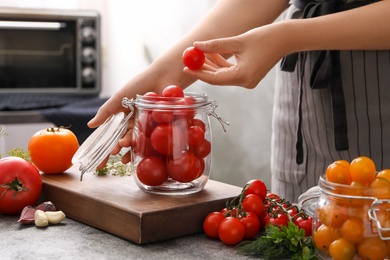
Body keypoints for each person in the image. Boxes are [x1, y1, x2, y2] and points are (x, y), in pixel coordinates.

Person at [88, 0, 390, 203]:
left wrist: (287, 37)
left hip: (378, 82)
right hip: (301, 91)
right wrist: (158, 78)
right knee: (301, 232)